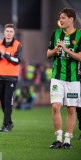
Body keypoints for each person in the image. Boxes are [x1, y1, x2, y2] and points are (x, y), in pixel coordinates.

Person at [47, 8, 81, 149]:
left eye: (63, 18)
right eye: (60, 18)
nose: (60, 20)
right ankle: (58, 139)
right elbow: (48, 54)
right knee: (56, 106)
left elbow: (80, 57)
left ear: (71, 19)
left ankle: (67, 140)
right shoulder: (55, 34)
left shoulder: (79, 35)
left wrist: (67, 50)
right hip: (57, 77)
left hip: (73, 79)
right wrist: (55, 50)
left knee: (71, 109)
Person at [0, 24, 22, 132]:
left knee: (8, 101)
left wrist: (5, 54)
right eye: (7, 31)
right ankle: (9, 122)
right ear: (4, 32)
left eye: (11, 31)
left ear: (14, 33)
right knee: (3, 102)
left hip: (11, 77)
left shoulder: (18, 45)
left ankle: (5, 125)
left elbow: (17, 61)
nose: (9, 33)